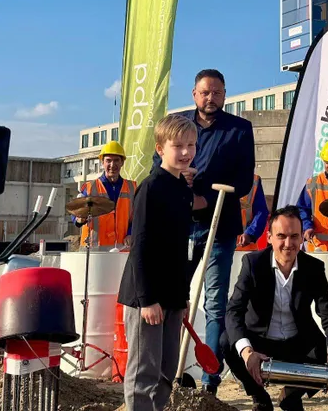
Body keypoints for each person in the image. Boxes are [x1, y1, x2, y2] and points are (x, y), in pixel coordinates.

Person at [151, 68, 255, 395]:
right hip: (179, 228)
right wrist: (181, 185)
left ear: (225, 95)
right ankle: (166, 370)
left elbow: (243, 181)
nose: (211, 98)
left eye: (217, 93)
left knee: (215, 303)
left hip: (219, 227)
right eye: (204, 92)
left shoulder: (239, 130)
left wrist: (203, 198)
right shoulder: (177, 124)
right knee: (170, 297)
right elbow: (159, 167)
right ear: (194, 94)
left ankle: (210, 381)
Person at [222, 205, 328, 411]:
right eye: (281, 236)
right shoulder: (253, 264)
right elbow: (234, 311)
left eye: (294, 236)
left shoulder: (314, 268)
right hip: (261, 343)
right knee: (226, 341)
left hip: (299, 344)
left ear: (302, 237)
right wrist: (248, 353)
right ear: (269, 238)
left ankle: (292, 394)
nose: (288, 243)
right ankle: (259, 396)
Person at [117, 114, 196, 411]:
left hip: (173, 298)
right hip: (146, 298)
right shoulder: (151, 188)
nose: (186, 152)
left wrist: (182, 297)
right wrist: (147, 300)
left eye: (191, 145)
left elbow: (179, 252)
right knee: (144, 372)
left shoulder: (182, 190)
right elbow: (141, 248)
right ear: (161, 148)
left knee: (166, 370)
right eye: (178, 145)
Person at [73, 141, 136, 248]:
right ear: (102, 162)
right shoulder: (89, 188)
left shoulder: (132, 188)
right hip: (94, 252)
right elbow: (75, 216)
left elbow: (136, 218)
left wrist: (130, 233)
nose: (112, 165)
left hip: (122, 251)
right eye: (108, 161)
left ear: (122, 162)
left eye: (116, 160)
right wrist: (80, 219)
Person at [296, 138, 328, 251]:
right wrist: (307, 227)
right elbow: (302, 209)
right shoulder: (313, 184)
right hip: (318, 248)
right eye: (327, 162)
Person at [237, 173, 270, 250]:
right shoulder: (212, 174)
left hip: (244, 246)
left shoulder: (254, 180)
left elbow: (261, 212)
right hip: (214, 244)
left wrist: (250, 233)